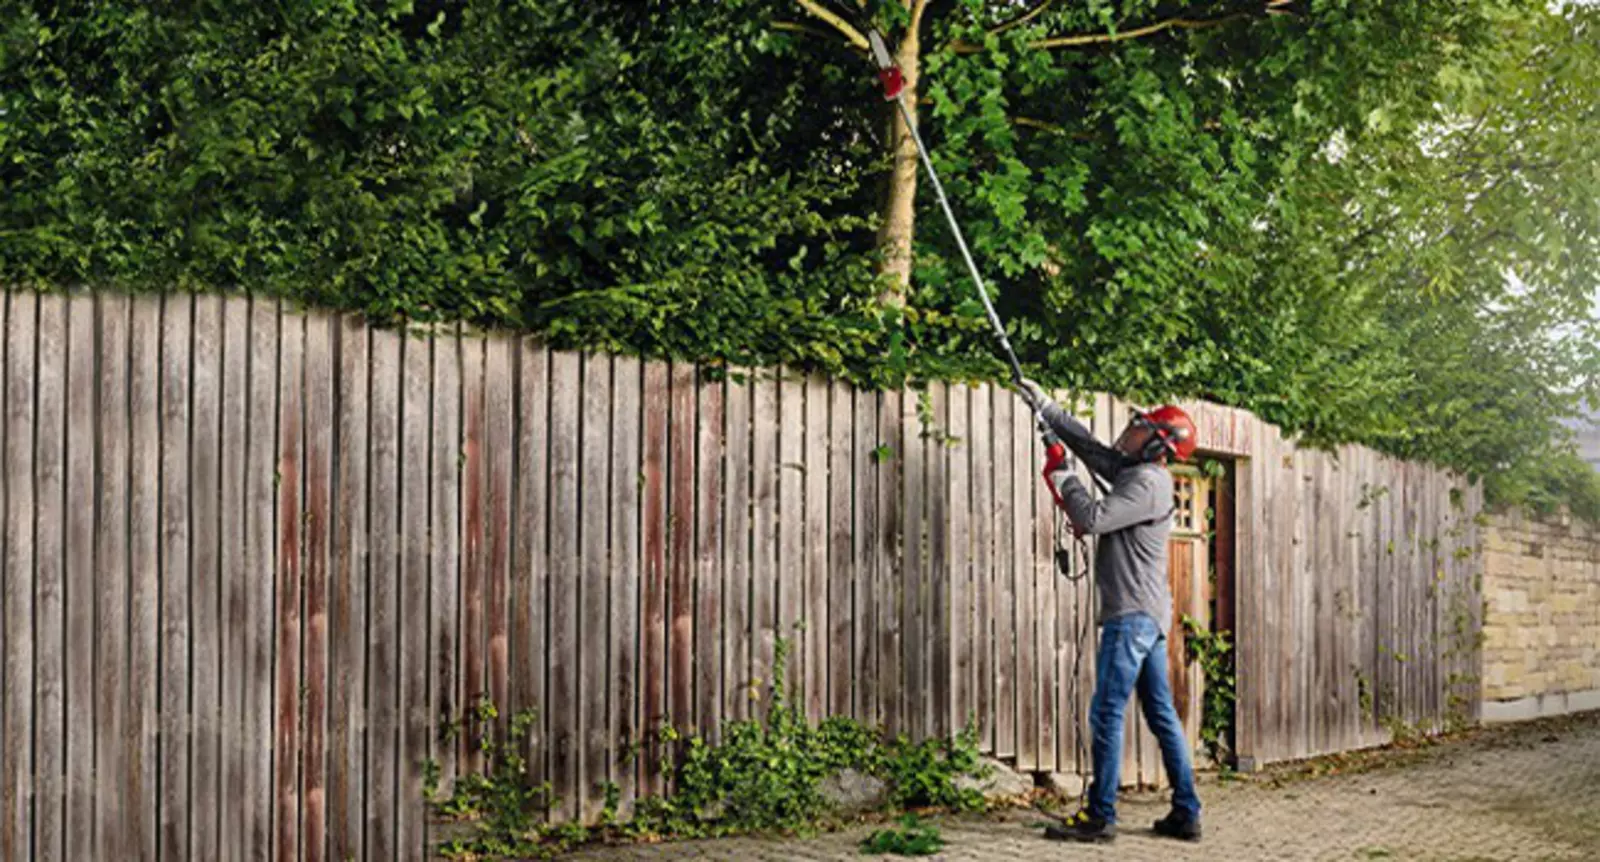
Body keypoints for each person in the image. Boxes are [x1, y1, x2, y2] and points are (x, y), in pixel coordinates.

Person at [1018, 379, 1203, 844]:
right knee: (1160, 713)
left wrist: (1063, 477)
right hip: (1147, 614)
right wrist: (1048, 410)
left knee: (1106, 711)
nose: (1131, 430)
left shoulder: (1146, 482)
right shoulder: (1140, 474)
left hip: (1132, 617)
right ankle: (1186, 813)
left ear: (1159, 443)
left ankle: (1099, 817)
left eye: (1141, 427)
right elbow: (1092, 449)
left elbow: (1092, 519)